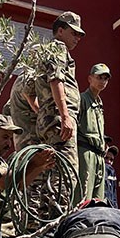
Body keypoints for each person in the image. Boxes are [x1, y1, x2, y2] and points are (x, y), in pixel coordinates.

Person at [35, 11, 85, 181]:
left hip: (50, 121)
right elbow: (56, 79)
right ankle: (61, 208)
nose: (77, 38)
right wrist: (65, 116)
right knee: (66, 175)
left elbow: (28, 91)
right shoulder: (58, 48)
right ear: (60, 31)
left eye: (79, 35)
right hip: (59, 122)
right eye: (74, 33)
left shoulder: (47, 51)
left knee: (50, 176)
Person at [78, 63, 111, 200]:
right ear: (90, 79)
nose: (102, 81)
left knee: (98, 198)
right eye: (99, 77)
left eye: (105, 78)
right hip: (85, 151)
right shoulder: (82, 99)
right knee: (84, 195)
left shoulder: (99, 103)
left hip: (99, 154)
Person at [4, 71, 40, 150]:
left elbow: (7, 109)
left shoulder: (23, 76)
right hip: (32, 140)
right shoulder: (32, 76)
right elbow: (29, 94)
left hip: (22, 140)